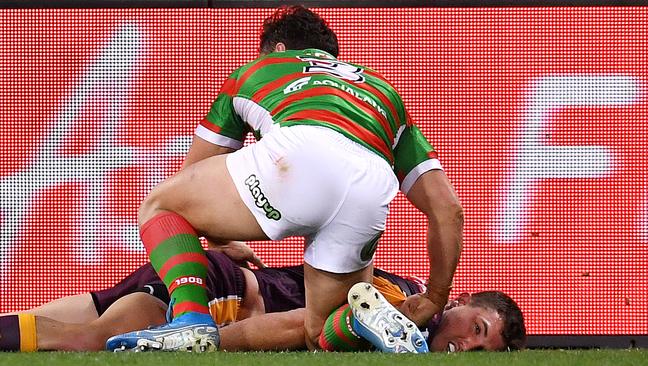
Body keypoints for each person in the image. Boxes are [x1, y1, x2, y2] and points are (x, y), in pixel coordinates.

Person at [108, 4, 464, 352]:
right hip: (371, 187)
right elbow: (448, 210)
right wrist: (434, 296)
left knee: (160, 206)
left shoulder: (260, 70)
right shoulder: (383, 93)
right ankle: (358, 320)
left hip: (297, 155)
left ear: (277, 49)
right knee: (317, 333)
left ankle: (190, 320)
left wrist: (218, 239)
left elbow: (190, 182)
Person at [0, 245, 524, 352]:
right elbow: (304, 324)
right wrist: (194, 340)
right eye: (475, 330)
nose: (465, 348)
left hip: (215, 272)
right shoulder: (403, 306)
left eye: (481, 353)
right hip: (223, 294)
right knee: (93, 340)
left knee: (28, 326)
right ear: (461, 300)